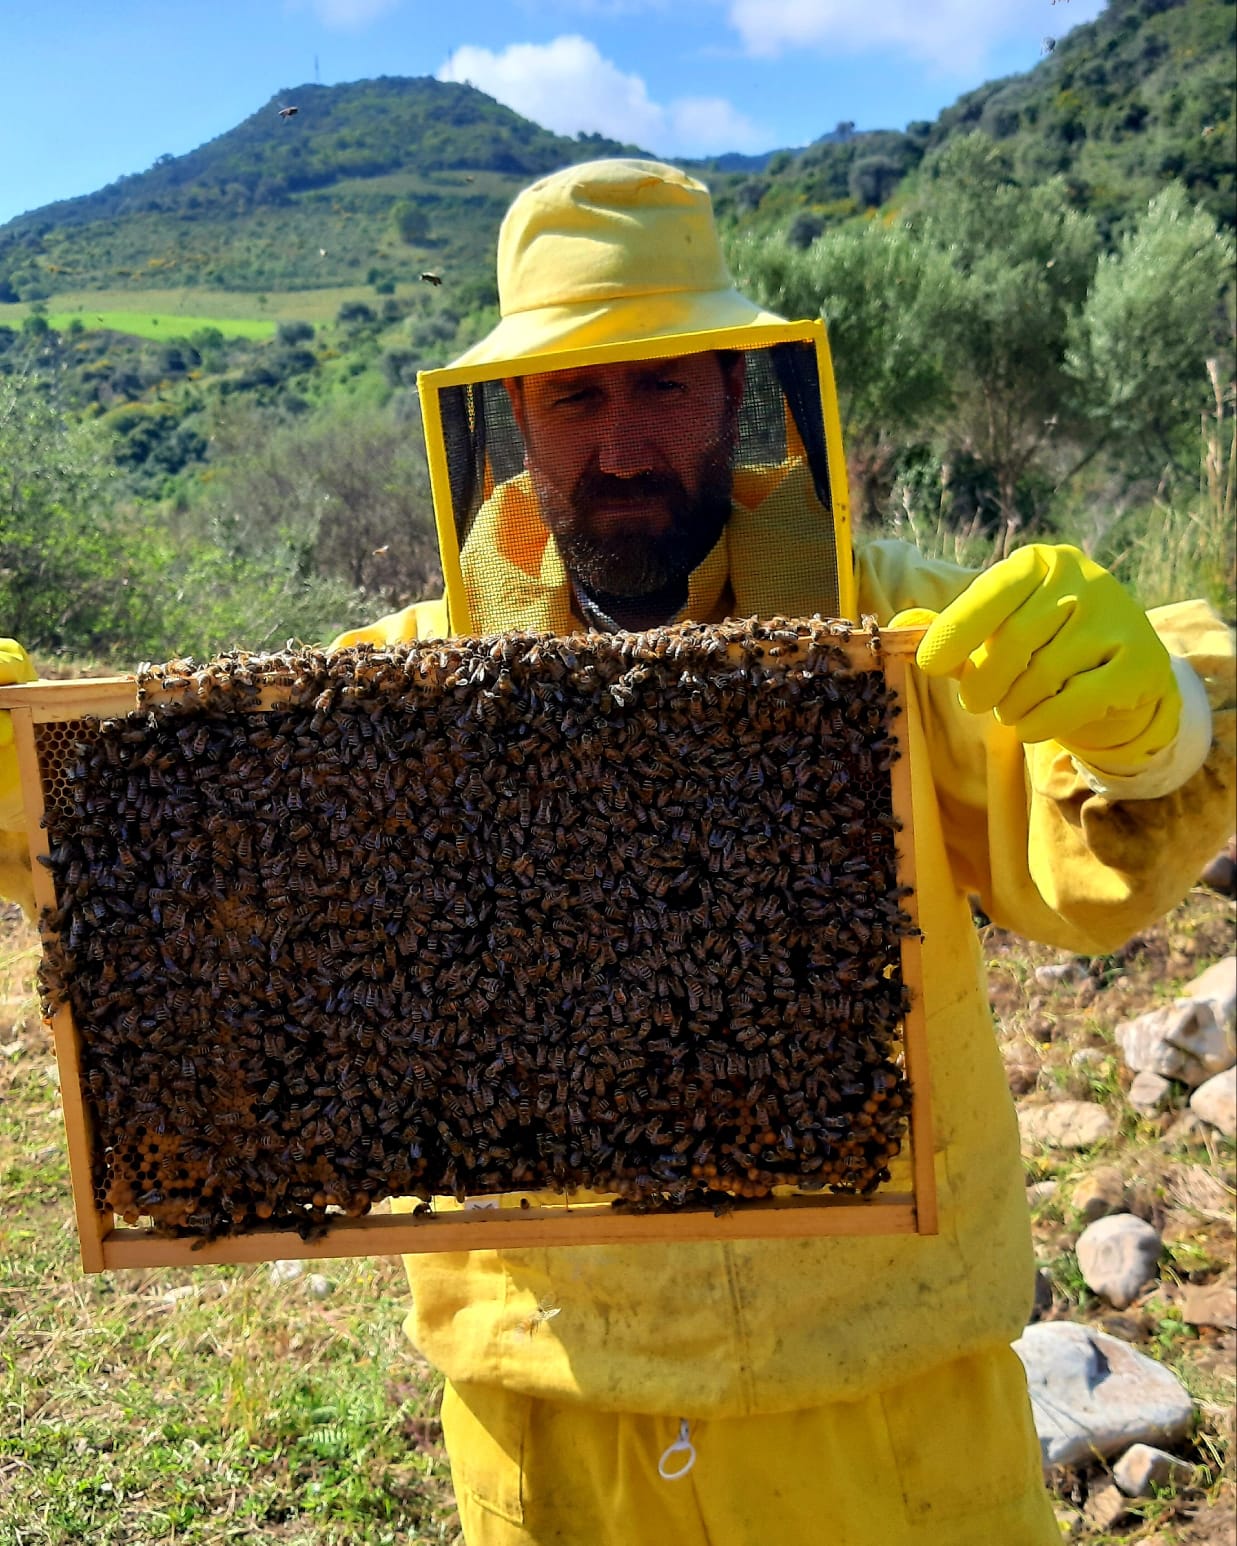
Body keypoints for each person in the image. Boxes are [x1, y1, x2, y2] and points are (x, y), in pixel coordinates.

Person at [2, 159, 1233, 1545]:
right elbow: (207, 869)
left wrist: (1157, 723)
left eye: (660, 386)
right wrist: (44, 791)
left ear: (732, 393)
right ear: (514, 419)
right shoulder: (410, 681)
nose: (623, 443)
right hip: (552, 1425)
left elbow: (1079, 860)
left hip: (878, 1417)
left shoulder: (895, 630)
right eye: (577, 396)